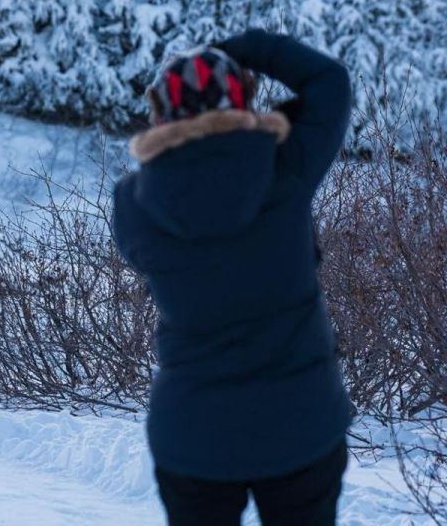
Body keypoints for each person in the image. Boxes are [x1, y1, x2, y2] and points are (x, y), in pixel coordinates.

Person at [112, 29, 354, 526]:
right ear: (242, 97)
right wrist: (244, 47)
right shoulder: (285, 168)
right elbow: (329, 82)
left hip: (192, 435)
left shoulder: (133, 203)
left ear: (161, 113)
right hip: (300, 426)